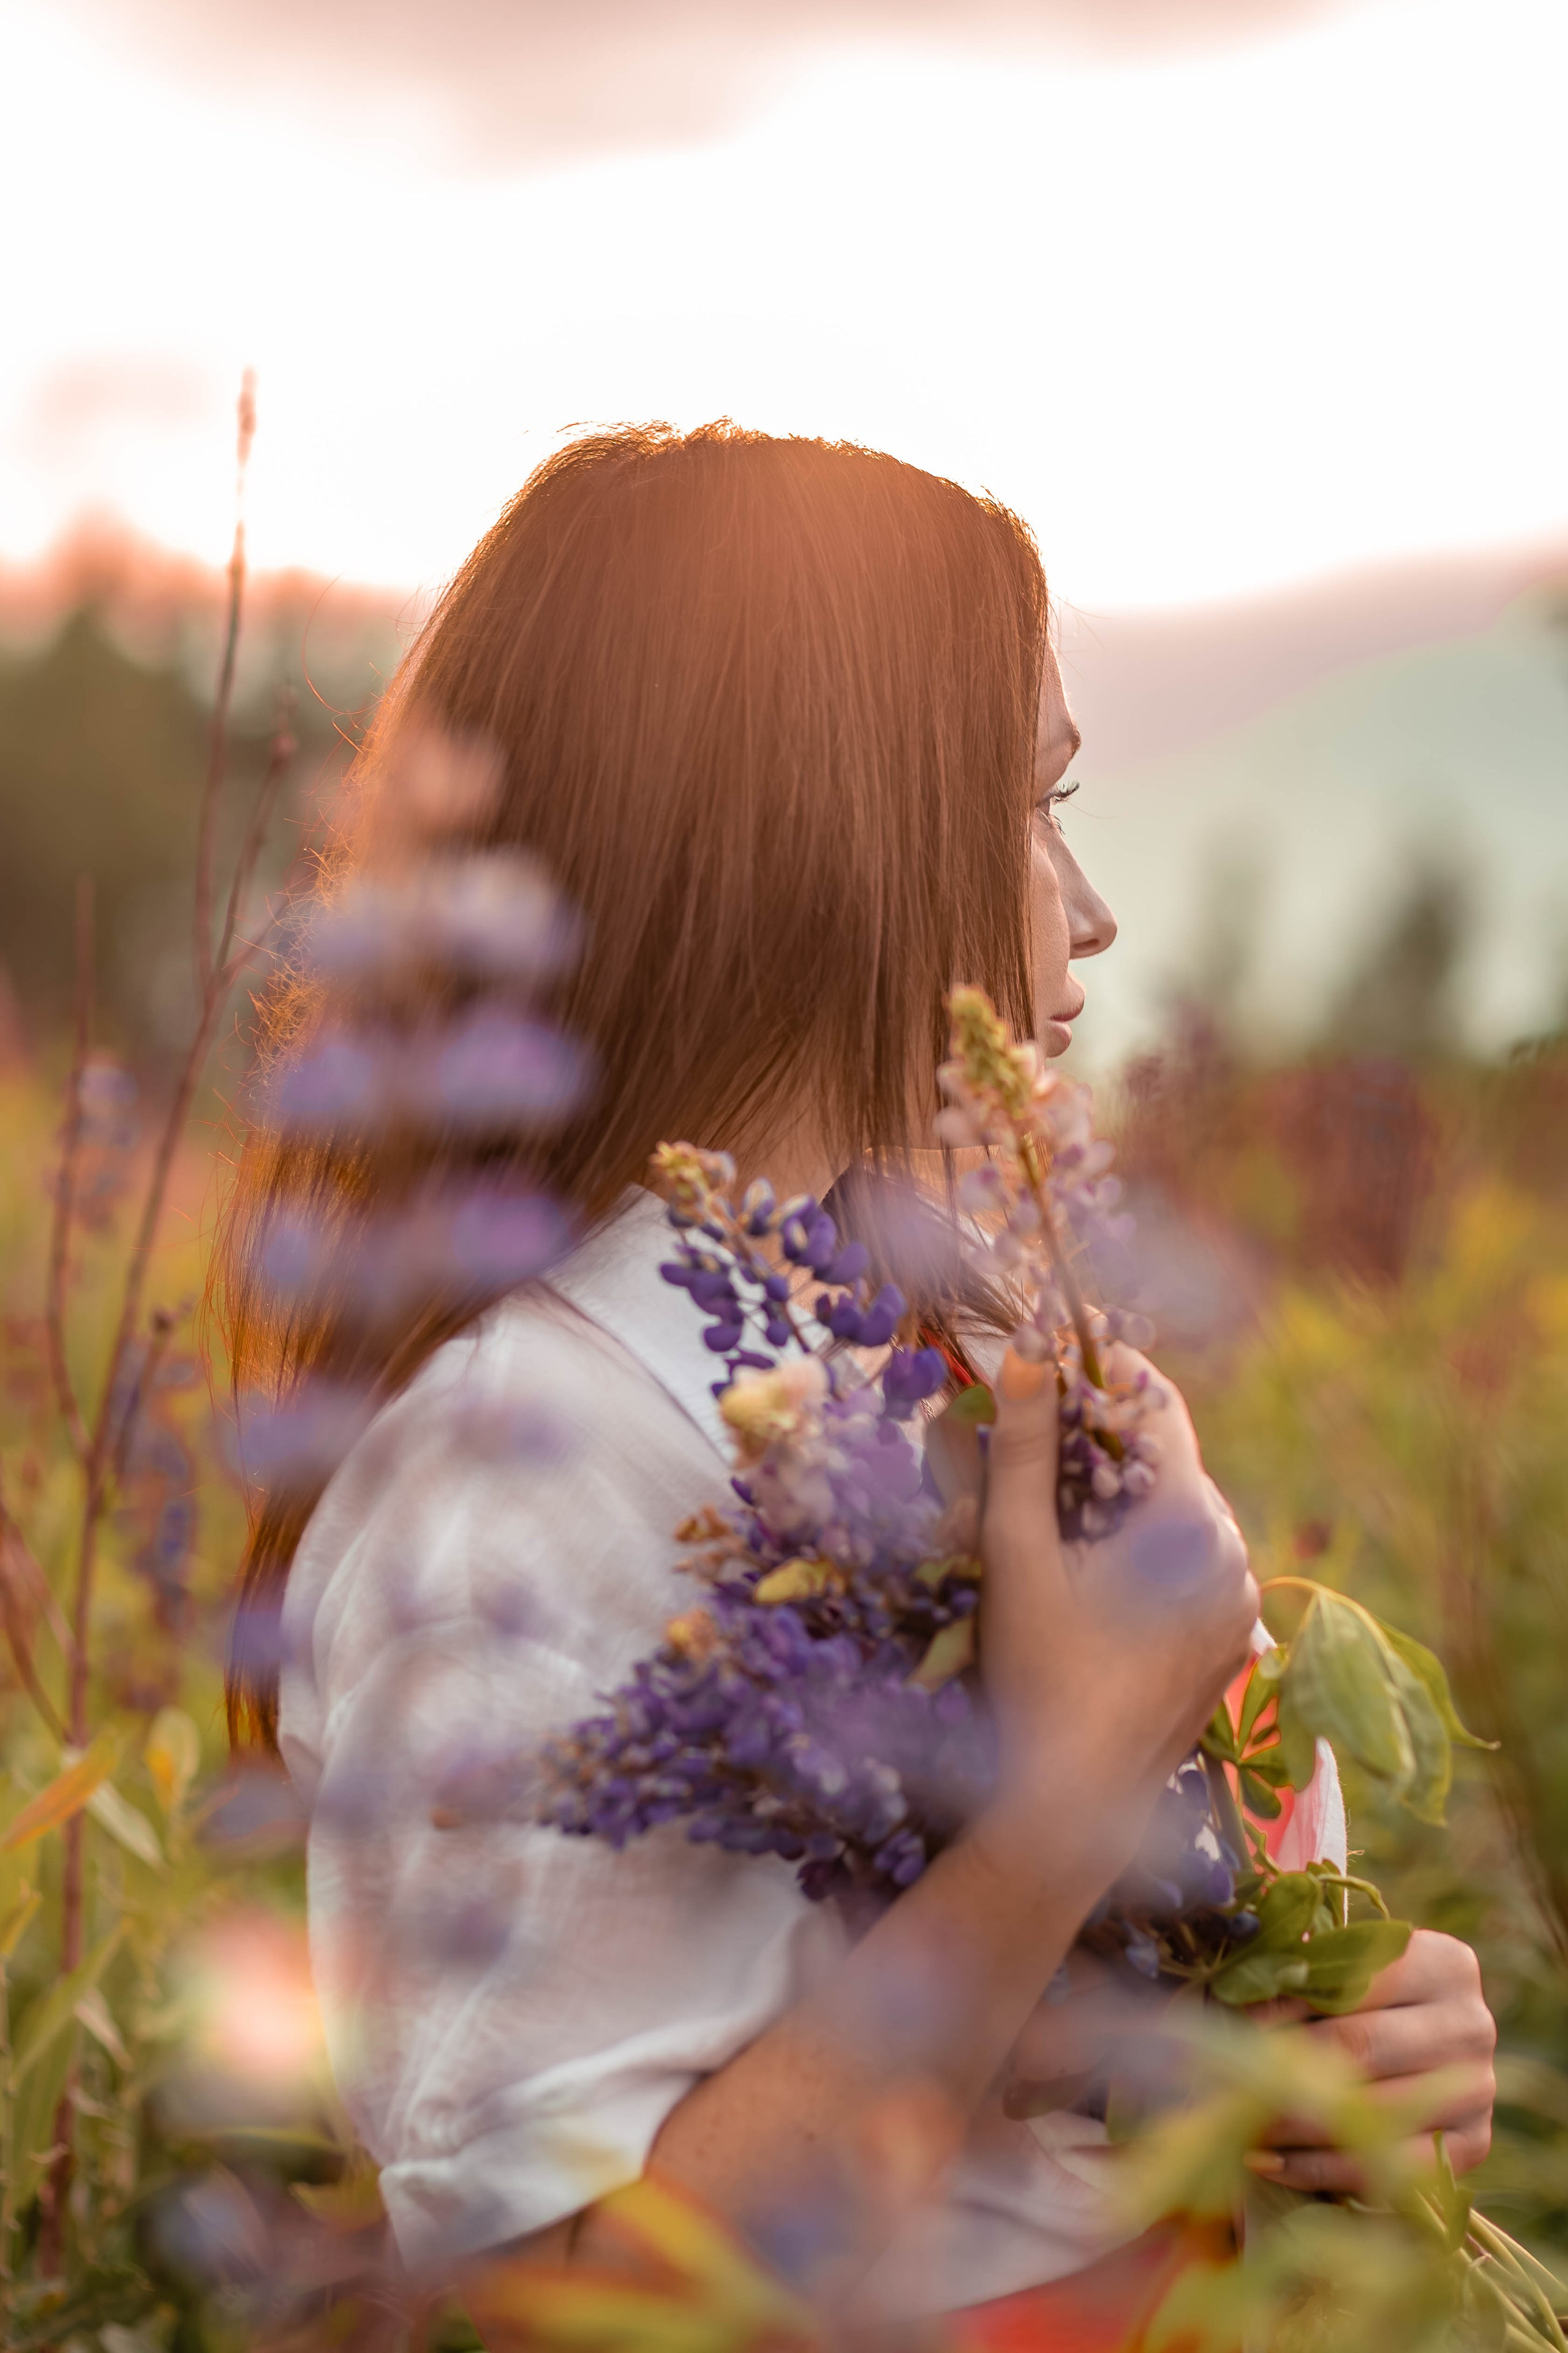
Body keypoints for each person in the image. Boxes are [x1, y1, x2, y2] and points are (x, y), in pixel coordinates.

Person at [217, 423, 1496, 2328]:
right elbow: (561, 2299)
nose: (1088, 910)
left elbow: (1069, 2035)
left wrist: (1351, 2043)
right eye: (1038, 803)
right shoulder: (526, 1458)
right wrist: (1059, 1803)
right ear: (836, 837)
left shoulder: (953, 1336)